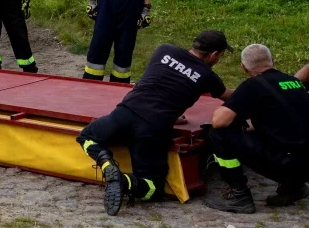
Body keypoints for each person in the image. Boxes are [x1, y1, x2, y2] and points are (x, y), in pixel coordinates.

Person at [77, 30, 231, 215]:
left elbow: (161, 82)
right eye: (220, 57)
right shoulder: (207, 76)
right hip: (152, 128)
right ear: (214, 54)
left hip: (124, 114)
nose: (218, 61)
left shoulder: (164, 50)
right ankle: (124, 181)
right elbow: (229, 97)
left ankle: (107, 165)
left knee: (86, 136)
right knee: (153, 189)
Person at [203, 44, 309, 214]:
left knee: (218, 133)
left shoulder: (253, 86)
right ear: (273, 60)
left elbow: (219, 121)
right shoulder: (294, 82)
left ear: (243, 68)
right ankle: (293, 187)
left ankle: (239, 193)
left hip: (287, 164)